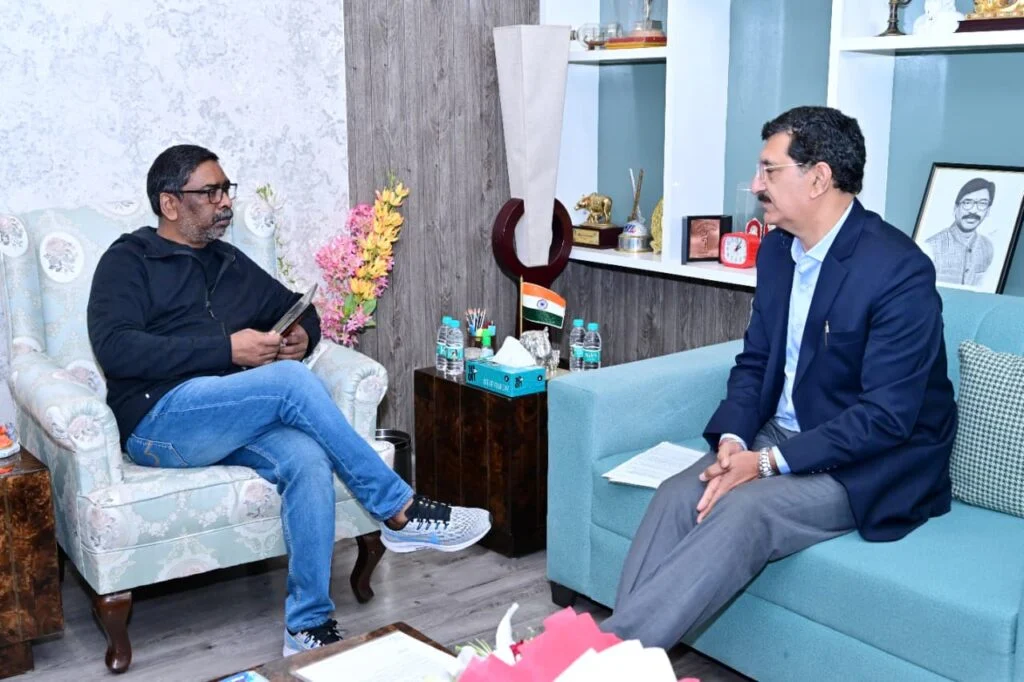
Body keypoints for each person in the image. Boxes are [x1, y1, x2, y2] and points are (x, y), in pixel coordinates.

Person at [87, 144, 492, 657]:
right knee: (290, 383)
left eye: (226, 189)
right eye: (210, 192)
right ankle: (399, 510)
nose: (224, 201)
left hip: (229, 418)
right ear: (170, 203)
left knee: (307, 457)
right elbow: (116, 348)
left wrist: (303, 336)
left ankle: (307, 625)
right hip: (159, 420)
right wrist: (226, 348)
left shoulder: (228, 261)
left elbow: (297, 308)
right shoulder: (129, 260)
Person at [601, 106, 957, 649]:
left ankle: (599, 659)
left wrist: (766, 463)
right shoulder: (777, 252)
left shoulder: (898, 270)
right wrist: (734, 438)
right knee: (678, 494)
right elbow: (756, 361)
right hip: (780, 434)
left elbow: (886, 418)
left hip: (868, 460)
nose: (755, 185)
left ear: (818, 178)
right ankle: (618, 659)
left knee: (744, 510)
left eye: (769, 170)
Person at [924, 177, 996, 287]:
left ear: (988, 211)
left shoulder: (987, 247)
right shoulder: (932, 247)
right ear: (955, 208)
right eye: (967, 202)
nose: (973, 210)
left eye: (982, 204)